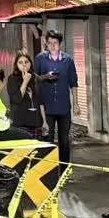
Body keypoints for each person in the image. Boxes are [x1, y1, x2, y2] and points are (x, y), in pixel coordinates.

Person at [35, 31, 79, 165]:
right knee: (47, 141)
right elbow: (34, 78)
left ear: (60, 44)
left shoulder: (68, 60)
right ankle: (48, 171)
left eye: (55, 43)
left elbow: (73, 83)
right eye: (50, 43)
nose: (52, 46)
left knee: (64, 142)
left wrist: (76, 103)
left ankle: (64, 172)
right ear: (46, 44)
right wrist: (45, 77)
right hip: (47, 108)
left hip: (64, 107)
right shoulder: (40, 59)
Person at [6, 51, 47, 140]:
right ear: (16, 65)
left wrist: (44, 121)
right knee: (23, 152)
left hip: (36, 122)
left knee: (37, 152)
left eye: (26, 62)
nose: (24, 65)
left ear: (30, 64)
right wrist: (25, 81)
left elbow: (41, 101)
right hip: (20, 123)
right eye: (20, 62)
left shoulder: (35, 78)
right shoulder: (12, 78)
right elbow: (16, 99)